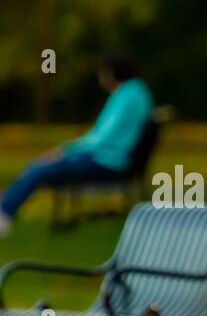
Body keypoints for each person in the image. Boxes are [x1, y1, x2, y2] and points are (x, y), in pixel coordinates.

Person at [0, 53, 154, 237]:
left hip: (108, 162)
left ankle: (4, 215)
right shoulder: (137, 92)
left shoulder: (126, 97)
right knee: (40, 167)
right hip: (112, 159)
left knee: (39, 168)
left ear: (111, 73)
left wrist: (65, 151)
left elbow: (102, 138)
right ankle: (6, 209)